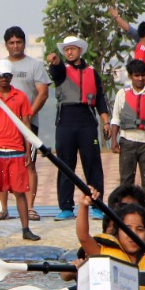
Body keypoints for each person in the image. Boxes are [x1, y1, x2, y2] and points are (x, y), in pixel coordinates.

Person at [0, 59, 40, 243]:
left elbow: (26, 124)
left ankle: (26, 229)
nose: (4, 79)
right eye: (1, 75)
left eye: (7, 76)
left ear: (11, 77)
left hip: (16, 150)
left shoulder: (20, 97)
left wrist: (28, 150)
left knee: (19, 191)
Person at [47, 35, 110, 221]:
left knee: (92, 164)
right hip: (66, 121)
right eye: (66, 49)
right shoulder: (62, 70)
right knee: (65, 164)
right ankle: (66, 207)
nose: (69, 52)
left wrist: (106, 121)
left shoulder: (91, 72)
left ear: (80, 50)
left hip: (87, 122)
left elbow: (100, 99)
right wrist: (55, 61)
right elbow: (56, 70)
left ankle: (97, 205)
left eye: (72, 48)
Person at [0, 26, 50, 220]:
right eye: (11, 42)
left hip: (28, 124)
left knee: (29, 164)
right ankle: (2, 208)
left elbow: (43, 93)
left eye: (19, 42)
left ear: (24, 43)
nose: (15, 45)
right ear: (6, 44)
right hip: (2, 127)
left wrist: (25, 116)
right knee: (1, 165)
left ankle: (31, 207)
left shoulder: (34, 65)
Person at [110, 59, 145, 224]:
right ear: (130, 76)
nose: (140, 79)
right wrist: (114, 140)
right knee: (126, 179)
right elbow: (116, 118)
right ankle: (122, 211)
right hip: (127, 140)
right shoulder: (122, 93)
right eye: (136, 76)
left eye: (142, 75)